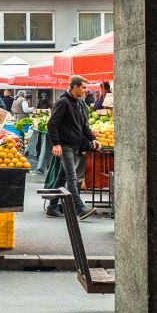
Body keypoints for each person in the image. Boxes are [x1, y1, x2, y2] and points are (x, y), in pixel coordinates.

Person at [48, 75, 99, 220]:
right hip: (65, 145)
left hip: (75, 145)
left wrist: (93, 139)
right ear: (75, 87)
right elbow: (52, 124)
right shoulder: (63, 102)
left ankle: (52, 207)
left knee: (61, 177)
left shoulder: (81, 103)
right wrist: (56, 144)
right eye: (83, 87)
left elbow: (84, 126)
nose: (86, 90)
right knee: (72, 175)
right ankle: (80, 209)